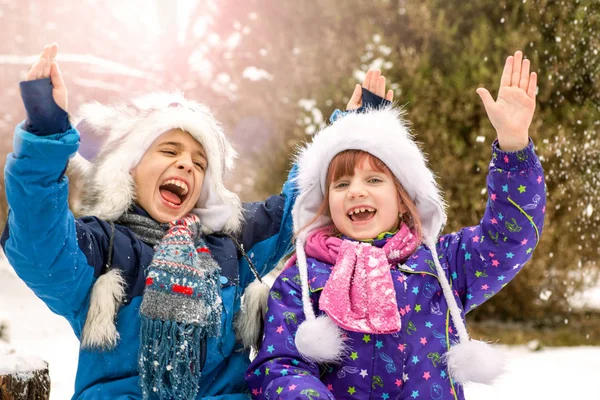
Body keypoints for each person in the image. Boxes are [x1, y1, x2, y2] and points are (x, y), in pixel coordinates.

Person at [0, 43, 391, 399]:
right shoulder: (102, 247)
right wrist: (45, 138)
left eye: (199, 163)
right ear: (131, 168)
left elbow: (300, 203)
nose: (186, 164)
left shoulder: (233, 243)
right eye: (169, 151)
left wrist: (353, 134)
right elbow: (39, 243)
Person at [246, 51, 545, 400]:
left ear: (403, 198)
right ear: (327, 203)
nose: (356, 191)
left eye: (374, 180)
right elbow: (280, 365)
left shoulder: (442, 265)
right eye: (341, 185)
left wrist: (513, 146)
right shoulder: (304, 277)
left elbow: (507, 238)